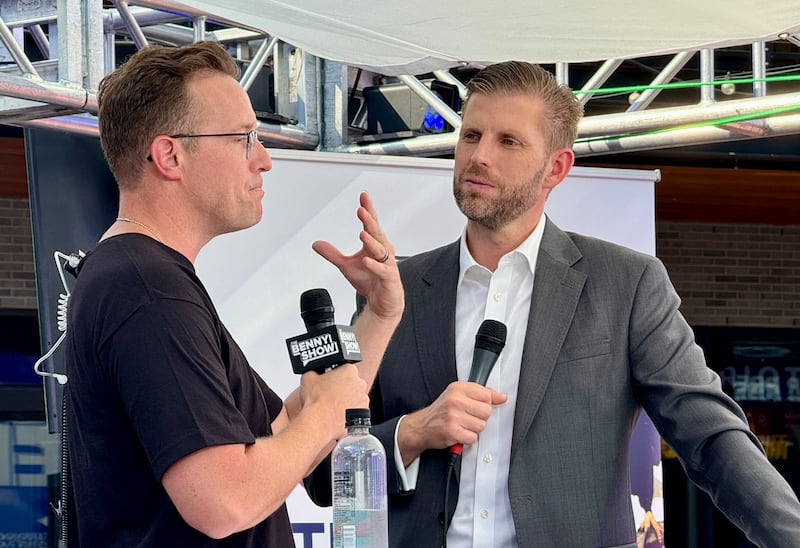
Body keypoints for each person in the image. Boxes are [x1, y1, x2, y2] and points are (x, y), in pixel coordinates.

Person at [307, 61, 800, 547]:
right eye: (471, 135)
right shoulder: (398, 290)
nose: (479, 156)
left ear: (556, 168)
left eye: (509, 141)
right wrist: (412, 432)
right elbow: (321, 475)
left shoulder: (625, 284)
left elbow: (712, 438)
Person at [63, 41, 403, 547]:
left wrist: (379, 314)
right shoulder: (146, 288)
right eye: (244, 138)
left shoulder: (149, 278)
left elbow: (282, 432)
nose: (264, 160)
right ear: (170, 155)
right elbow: (223, 502)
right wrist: (324, 416)